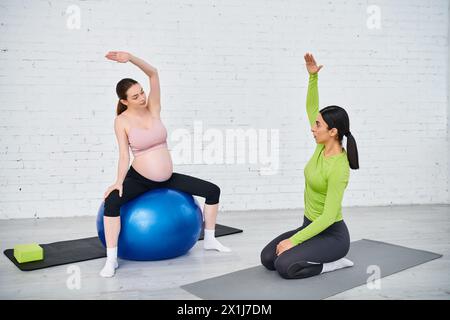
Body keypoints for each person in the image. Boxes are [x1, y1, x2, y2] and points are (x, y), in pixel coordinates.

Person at [100, 51, 231, 278]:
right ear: (123, 101)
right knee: (112, 202)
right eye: (135, 96)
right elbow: (124, 155)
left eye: (141, 92)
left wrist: (130, 57)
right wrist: (118, 182)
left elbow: (153, 73)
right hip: (139, 180)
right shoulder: (121, 121)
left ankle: (209, 239)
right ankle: (111, 260)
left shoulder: (153, 108)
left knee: (213, 191)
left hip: (166, 177)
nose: (142, 98)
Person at [260, 52, 360, 279]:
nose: (312, 128)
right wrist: (313, 78)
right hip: (310, 227)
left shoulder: (339, 168)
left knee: (285, 266)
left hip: (332, 235)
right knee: (268, 259)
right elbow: (311, 107)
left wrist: (293, 241)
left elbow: (328, 216)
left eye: (318, 125)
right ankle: (307, 251)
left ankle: (335, 263)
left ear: (333, 132)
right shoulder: (321, 147)